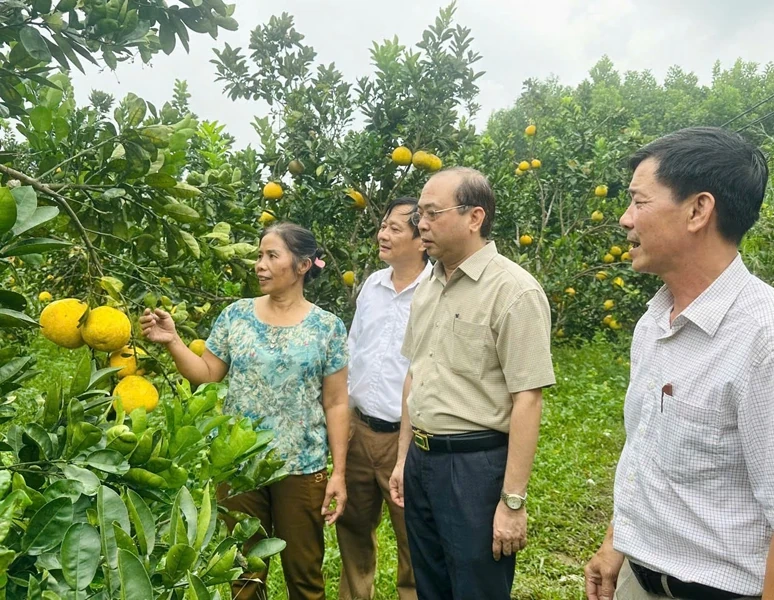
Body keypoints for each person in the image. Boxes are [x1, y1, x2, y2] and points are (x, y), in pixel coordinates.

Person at [584, 127, 774, 600]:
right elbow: (643, 451)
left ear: (698, 210)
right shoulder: (654, 320)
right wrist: (615, 544)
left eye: (639, 202)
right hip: (638, 578)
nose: (625, 219)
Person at [140, 222, 350, 600]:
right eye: (259, 255)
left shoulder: (327, 327)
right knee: (244, 574)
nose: (260, 264)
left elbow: (335, 403)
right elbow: (205, 375)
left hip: (301, 467)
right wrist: (172, 341)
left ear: (303, 265)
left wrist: (339, 472)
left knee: (305, 574)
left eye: (272, 256)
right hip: (239, 464)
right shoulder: (236, 316)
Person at [388, 167, 556, 600]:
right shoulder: (429, 286)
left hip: (474, 468)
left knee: (477, 590)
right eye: (418, 215)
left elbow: (528, 399)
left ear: (474, 217)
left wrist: (512, 501)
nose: (420, 224)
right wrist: (404, 458)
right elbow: (415, 375)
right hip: (423, 463)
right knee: (431, 587)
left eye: (431, 213)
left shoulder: (513, 291)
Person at [337, 197, 430, 600]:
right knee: (354, 532)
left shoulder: (436, 291)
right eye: (383, 225)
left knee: (415, 539)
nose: (382, 234)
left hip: (406, 438)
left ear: (422, 238)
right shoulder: (372, 286)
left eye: (395, 228)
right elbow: (353, 349)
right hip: (360, 431)